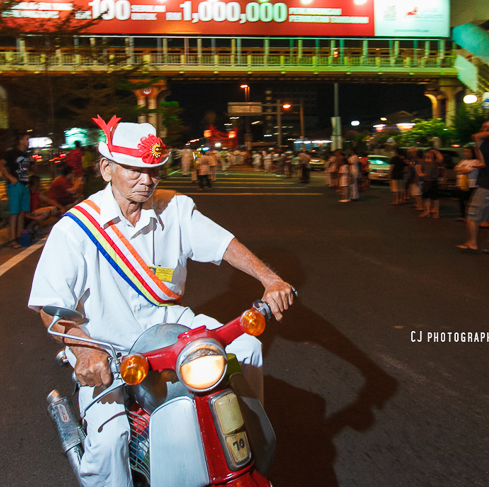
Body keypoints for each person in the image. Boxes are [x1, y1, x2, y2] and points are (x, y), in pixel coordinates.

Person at [28, 118, 295, 487]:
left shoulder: (175, 208)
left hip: (174, 335)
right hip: (111, 348)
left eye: (154, 171)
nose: (147, 180)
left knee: (248, 346)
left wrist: (271, 279)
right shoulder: (74, 230)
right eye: (134, 170)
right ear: (107, 168)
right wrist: (82, 350)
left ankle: (244, 440)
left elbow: (223, 245)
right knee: (110, 443)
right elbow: (48, 305)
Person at [458, 124, 489, 254]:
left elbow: (476, 136)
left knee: (472, 217)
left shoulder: (485, 146)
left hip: (487, 187)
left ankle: (472, 243)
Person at [0, 132, 31, 248]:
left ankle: (21, 237)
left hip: (24, 185)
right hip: (15, 185)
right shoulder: (11, 153)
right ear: (20, 140)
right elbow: (0, 165)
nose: (28, 142)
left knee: (22, 213)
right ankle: (12, 239)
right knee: (14, 212)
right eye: (27, 139)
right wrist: (10, 178)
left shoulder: (26, 155)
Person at [454, 146, 481, 220]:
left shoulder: (475, 161)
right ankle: (463, 216)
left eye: (468, 152)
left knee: (470, 201)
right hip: (461, 184)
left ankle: (470, 216)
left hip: (471, 185)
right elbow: (455, 168)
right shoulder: (463, 161)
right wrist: (462, 170)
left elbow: (467, 171)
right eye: (465, 152)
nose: (466, 153)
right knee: (461, 201)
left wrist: (461, 170)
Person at [417, 148, 443, 218]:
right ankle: (427, 211)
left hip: (433, 181)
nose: (429, 154)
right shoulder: (423, 162)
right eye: (428, 153)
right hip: (426, 181)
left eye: (431, 153)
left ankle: (436, 213)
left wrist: (436, 151)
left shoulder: (435, 162)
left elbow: (440, 159)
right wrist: (420, 173)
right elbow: (417, 167)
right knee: (426, 197)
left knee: (435, 198)